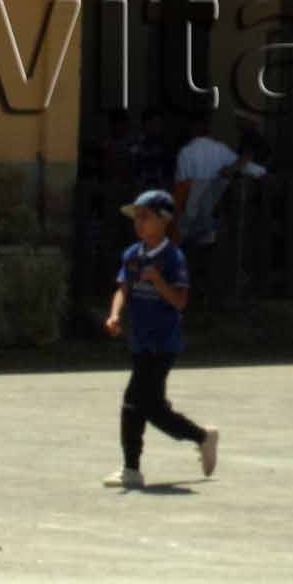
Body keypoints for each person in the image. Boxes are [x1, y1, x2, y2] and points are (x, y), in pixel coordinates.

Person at [101, 190, 219, 489]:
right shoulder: (132, 255)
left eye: (146, 217)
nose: (139, 223)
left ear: (163, 221)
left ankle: (131, 469)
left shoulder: (173, 257)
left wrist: (157, 281)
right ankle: (201, 437)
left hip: (163, 342)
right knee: (152, 408)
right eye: (136, 218)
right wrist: (115, 314)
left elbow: (179, 301)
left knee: (133, 402)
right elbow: (123, 288)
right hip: (139, 340)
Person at [172, 114, 266, 288]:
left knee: (192, 255)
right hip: (217, 211)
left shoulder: (185, 153)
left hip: (192, 210)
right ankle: (212, 289)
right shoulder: (221, 150)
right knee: (213, 254)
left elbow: (181, 187)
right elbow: (257, 170)